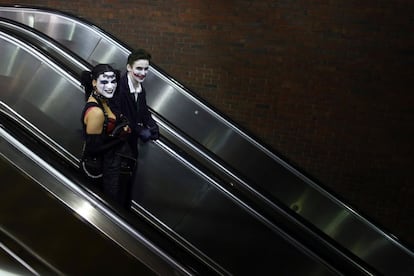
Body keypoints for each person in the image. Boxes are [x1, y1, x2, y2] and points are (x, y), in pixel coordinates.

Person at [80, 64, 135, 208]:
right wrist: (119, 138)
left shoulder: (104, 100)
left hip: (110, 166)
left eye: (113, 81)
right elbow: (93, 149)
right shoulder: (96, 112)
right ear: (94, 82)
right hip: (100, 170)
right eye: (104, 81)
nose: (110, 86)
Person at [109, 48, 159, 160]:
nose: (143, 73)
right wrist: (139, 130)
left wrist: (152, 125)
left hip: (130, 145)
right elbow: (118, 116)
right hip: (116, 147)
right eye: (139, 68)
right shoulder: (119, 89)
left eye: (146, 69)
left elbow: (143, 112)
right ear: (129, 67)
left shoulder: (141, 90)